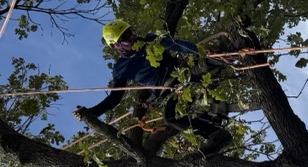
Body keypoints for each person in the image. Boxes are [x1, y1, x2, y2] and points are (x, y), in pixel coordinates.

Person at [75, 19, 231, 154]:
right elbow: (115, 98)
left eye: (130, 32)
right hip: (168, 92)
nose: (133, 37)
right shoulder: (121, 68)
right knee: (170, 119)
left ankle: (230, 54)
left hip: (182, 74)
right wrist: (92, 112)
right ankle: (216, 134)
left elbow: (176, 45)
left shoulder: (150, 40)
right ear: (116, 46)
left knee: (204, 66)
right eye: (125, 38)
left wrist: (199, 52)